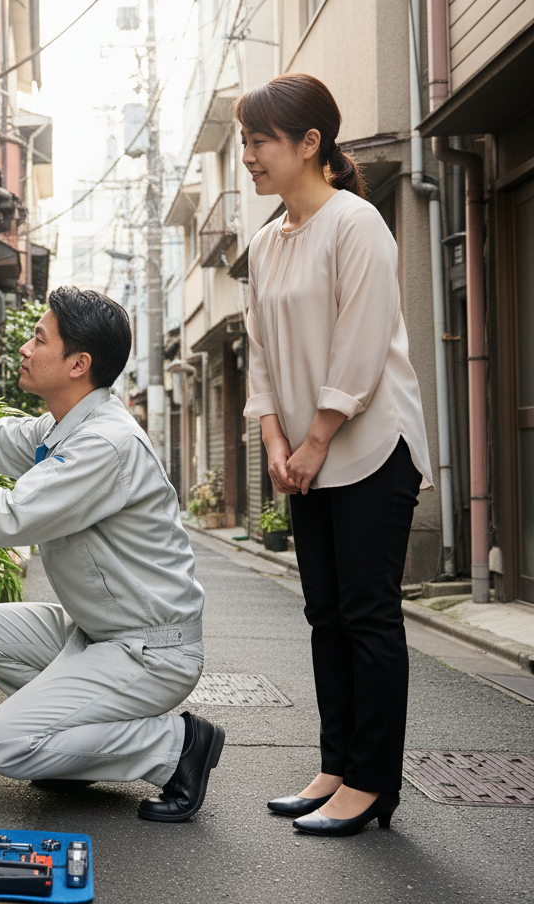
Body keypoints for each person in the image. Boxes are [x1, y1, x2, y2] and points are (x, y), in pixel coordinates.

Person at [0, 286, 223, 822]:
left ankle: (176, 747)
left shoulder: (104, 444)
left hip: (149, 652)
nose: (25, 349)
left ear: (78, 364)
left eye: (39, 339)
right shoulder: (64, 426)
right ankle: (70, 750)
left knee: (2, 744)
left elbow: (10, 518)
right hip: (97, 634)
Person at [238, 74, 433, 837]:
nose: (248, 156)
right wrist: (275, 439)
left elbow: (361, 343)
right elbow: (260, 353)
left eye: (259, 141)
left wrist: (315, 437)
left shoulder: (357, 223)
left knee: (366, 614)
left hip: (371, 446)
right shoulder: (265, 243)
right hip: (305, 457)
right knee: (325, 614)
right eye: (245, 142)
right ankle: (336, 766)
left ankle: (372, 783)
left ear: (310, 142)